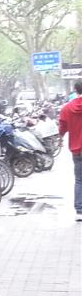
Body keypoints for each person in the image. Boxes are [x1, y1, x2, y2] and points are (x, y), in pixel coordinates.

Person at [58, 79, 82, 222]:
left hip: (77, 149)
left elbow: (62, 126)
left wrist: (60, 137)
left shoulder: (67, 108)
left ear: (75, 90)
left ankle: (80, 211)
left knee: (79, 180)